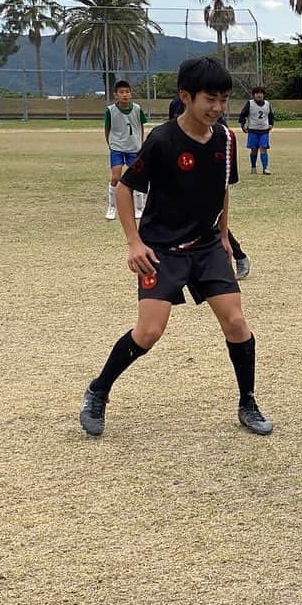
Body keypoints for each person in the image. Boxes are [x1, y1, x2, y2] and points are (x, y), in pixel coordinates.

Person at [79, 57, 272, 437]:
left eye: (224, 100)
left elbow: (222, 190)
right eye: (209, 99)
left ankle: (247, 401)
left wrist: (223, 235)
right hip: (160, 250)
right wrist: (133, 242)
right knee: (149, 331)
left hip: (205, 246)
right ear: (186, 96)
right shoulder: (163, 140)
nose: (218, 108)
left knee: (235, 322)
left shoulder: (227, 140)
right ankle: (98, 391)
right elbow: (123, 189)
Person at [170, 93, 250, 280]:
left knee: (209, 221)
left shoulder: (218, 127)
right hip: (183, 173)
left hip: (206, 175)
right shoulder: (176, 105)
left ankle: (237, 255)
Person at [105, 80, 149, 221]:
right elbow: (107, 129)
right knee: (116, 176)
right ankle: (112, 207)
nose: (125, 95)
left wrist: (140, 142)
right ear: (116, 95)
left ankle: (139, 208)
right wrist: (111, 144)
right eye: (121, 92)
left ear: (131, 94)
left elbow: (140, 126)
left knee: (136, 177)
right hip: (117, 147)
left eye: (127, 92)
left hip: (134, 148)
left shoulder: (137, 109)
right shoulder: (110, 110)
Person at [239, 86, 275, 175]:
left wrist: (271, 123)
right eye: (257, 93)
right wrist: (242, 125)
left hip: (264, 131)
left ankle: (265, 168)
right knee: (254, 149)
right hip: (253, 131)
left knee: (263, 148)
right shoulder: (250, 104)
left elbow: (270, 115)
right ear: (253, 95)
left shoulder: (267, 104)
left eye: (261, 93)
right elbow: (242, 115)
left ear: (263, 95)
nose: (259, 95)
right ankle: (253, 167)